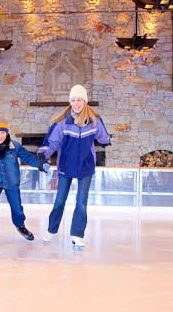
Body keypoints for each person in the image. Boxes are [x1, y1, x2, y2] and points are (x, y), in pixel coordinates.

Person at [37, 84, 111, 248]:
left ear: (85, 101)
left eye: (79, 100)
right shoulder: (63, 122)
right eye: (73, 100)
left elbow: (104, 137)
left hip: (86, 167)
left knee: (81, 202)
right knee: (60, 200)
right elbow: (51, 143)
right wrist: (43, 156)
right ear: (70, 102)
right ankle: (51, 229)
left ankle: (77, 235)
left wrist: (106, 140)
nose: (76, 103)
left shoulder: (94, 121)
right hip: (66, 166)